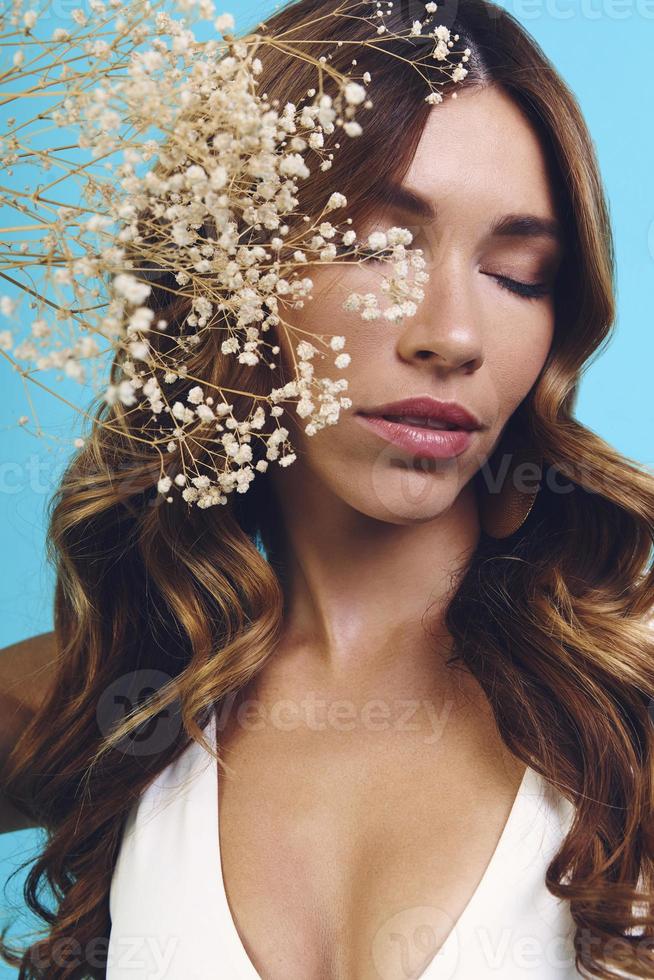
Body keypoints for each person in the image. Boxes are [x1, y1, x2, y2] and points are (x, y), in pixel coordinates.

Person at [1, 0, 653, 978]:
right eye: (383, 246)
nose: (454, 333)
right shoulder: (102, 686)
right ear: (234, 273)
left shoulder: (626, 693)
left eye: (519, 273)